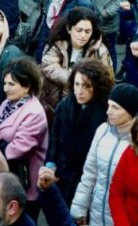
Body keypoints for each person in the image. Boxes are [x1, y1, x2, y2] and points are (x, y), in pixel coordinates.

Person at [71, 83, 138, 226]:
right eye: (109, 105)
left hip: (123, 219)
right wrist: (79, 208)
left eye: (115, 107)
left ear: (130, 111)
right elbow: (90, 173)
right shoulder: (102, 130)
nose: (108, 111)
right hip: (96, 215)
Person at [47, 59, 112, 202]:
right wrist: (50, 165)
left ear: (98, 87)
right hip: (62, 175)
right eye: (77, 84)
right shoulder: (64, 107)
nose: (80, 91)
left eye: (87, 86)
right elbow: (54, 138)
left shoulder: (105, 113)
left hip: (88, 180)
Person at [0, 58, 49, 203]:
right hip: (5, 174)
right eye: (5, 83)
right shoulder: (7, 103)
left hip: (24, 180)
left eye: (12, 84)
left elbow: (17, 149)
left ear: (27, 86)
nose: (6, 88)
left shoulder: (34, 112)